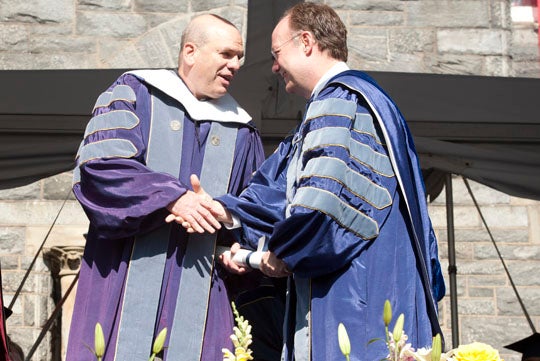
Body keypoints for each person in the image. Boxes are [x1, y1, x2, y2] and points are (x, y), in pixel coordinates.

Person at [182, 3, 446, 361]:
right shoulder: (354, 104)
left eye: (277, 54)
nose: (274, 67)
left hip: (356, 295)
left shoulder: (340, 102)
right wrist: (224, 211)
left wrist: (281, 254)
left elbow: (321, 213)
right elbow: (284, 190)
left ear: (305, 41)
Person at [67, 14, 274, 361]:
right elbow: (100, 168)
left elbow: (252, 208)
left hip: (203, 293)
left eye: (239, 56)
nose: (236, 64)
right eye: (226, 54)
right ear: (190, 52)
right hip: (124, 277)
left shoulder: (242, 130)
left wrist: (234, 246)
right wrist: (173, 199)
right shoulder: (135, 93)